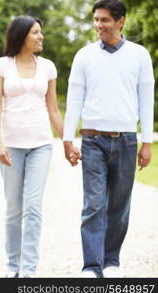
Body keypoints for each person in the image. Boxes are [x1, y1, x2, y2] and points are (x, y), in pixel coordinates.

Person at [63, 0, 155, 278]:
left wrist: (147, 142)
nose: (98, 25)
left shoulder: (139, 55)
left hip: (126, 140)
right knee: (93, 204)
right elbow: (74, 99)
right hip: (92, 142)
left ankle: (111, 261)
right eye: (96, 20)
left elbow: (146, 101)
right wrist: (68, 138)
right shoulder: (84, 56)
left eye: (104, 20)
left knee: (119, 205)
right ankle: (92, 266)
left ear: (121, 21)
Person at [0, 16, 63, 278]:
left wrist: (67, 141)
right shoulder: (1, 66)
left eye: (41, 32)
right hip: (10, 146)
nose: (41, 37)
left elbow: (52, 108)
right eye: (36, 32)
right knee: (13, 209)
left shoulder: (48, 68)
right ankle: (12, 266)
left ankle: (29, 269)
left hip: (41, 144)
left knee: (33, 207)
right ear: (21, 36)